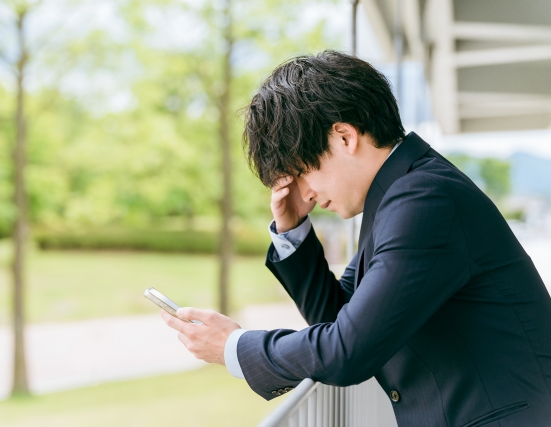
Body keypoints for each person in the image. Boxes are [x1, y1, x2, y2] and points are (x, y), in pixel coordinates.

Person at [160, 50, 551, 427]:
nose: (304, 192)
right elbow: (342, 319)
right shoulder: (401, 196)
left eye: (300, 172)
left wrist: (235, 346)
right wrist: (292, 231)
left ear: (344, 137)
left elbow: (348, 350)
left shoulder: (424, 200)